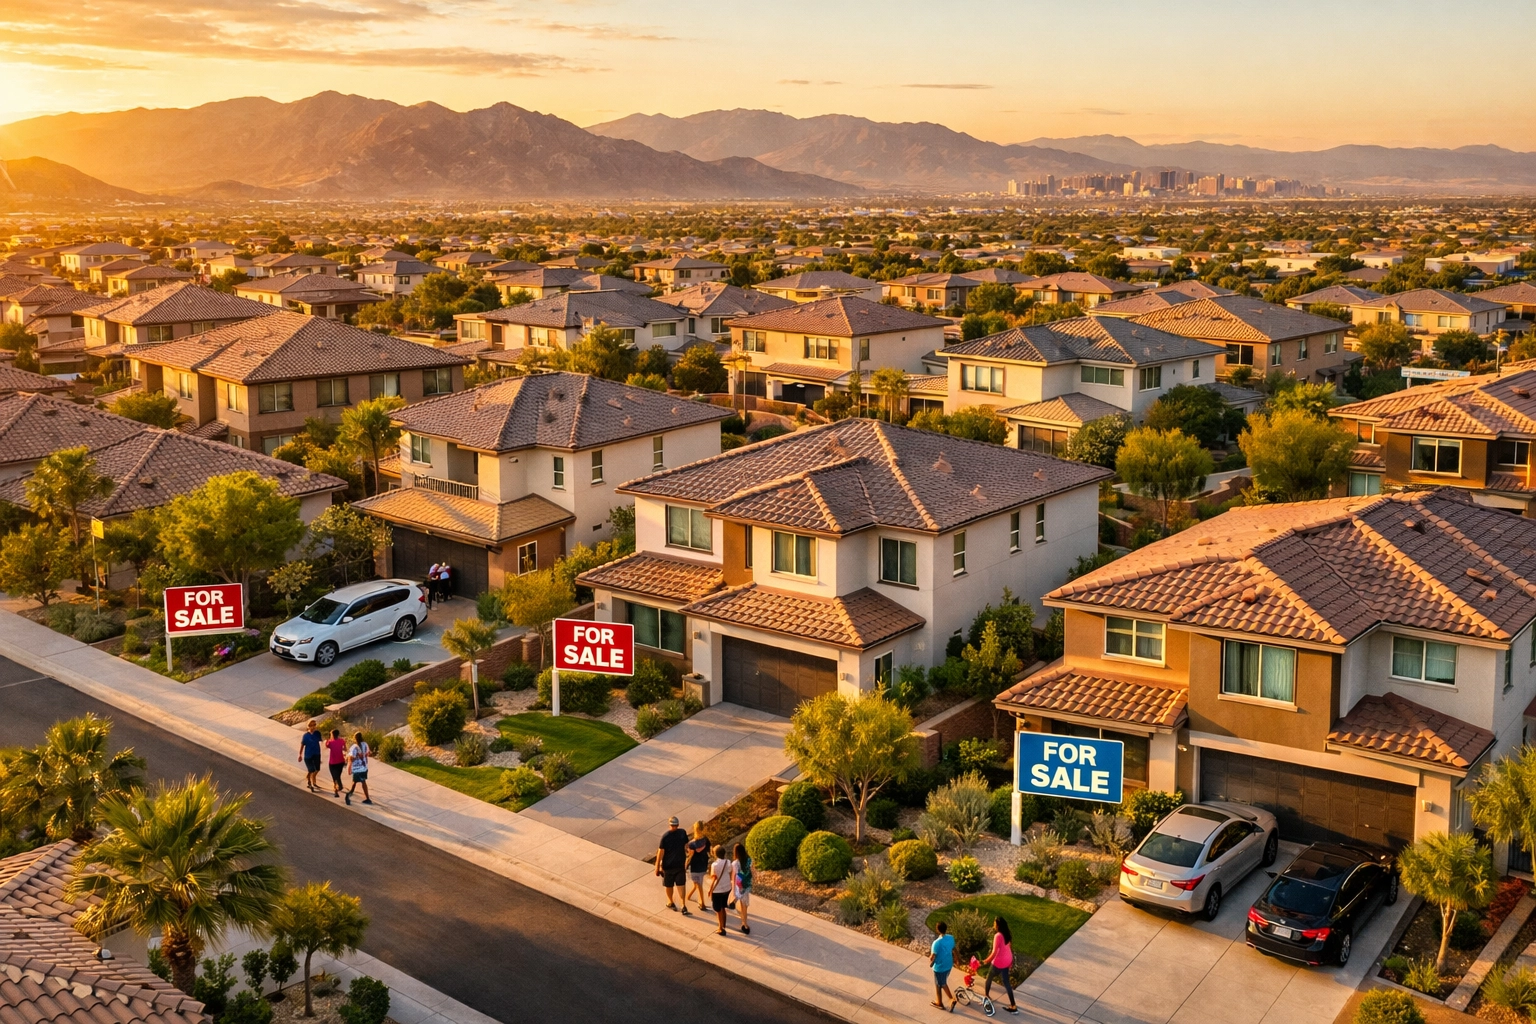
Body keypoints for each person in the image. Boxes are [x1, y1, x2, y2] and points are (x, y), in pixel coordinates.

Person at [654, 816, 691, 914]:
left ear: (669, 825)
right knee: (681, 885)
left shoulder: (665, 836)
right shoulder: (682, 833)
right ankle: (683, 905)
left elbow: (660, 853)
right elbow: (687, 847)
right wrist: (688, 858)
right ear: (678, 825)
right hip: (680, 864)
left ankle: (670, 902)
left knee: (669, 885)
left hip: (668, 866)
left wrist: (657, 867)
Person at [981, 917, 1018, 1014]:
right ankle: (1013, 1006)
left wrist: (986, 961)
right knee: (1007, 983)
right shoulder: (1007, 934)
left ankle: (987, 996)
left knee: (989, 978)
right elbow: (1009, 947)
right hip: (1007, 960)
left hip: (999, 962)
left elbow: (994, 953)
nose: (993, 924)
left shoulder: (998, 936)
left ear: (998, 925)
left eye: (994, 923)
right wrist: (1011, 962)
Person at [685, 821, 711, 913]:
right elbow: (709, 850)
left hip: (695, 866)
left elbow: (690, 856)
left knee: (698, 884)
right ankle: (689, 896)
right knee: (698, 883)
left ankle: (702, 903)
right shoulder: (706, 840)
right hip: (703, 864)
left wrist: (686, 865)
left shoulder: (691, 844)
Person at [930, 920, 955, 1011]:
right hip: (949, 964)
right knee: (942, 982)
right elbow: (954, 949)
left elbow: (933, 956)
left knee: (939, 984)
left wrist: (931, 958)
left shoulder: (936, 943)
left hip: (939, 967)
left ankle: (941, 1002)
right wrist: (957, 959)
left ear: (937, 930)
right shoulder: (951, 938)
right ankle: (948, 1000)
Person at [709, 844, 734, 936]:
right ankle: (724, 925)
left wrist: (710, 890)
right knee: (723, 907)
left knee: (718, 909)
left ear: (715, 854)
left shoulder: (714, 865)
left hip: (717, 890)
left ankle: (720, 928)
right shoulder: (728, 862)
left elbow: (713, 877)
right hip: (727, 888)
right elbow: (730, 871)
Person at [344, 731, 371, 805]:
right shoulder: (365, 744)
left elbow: (351, 758)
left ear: (354, 738)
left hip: (356, 768)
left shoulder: (354, 747)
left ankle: (348, 795)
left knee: (354, 783)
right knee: (363, 782)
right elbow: (369, 753)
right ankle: (367, 798)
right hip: (364, 767)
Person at [731, 841, 753, 935]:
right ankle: (745, 924)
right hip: (747, 884)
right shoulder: (749, 860)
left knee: (742, 904)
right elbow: (753, 871)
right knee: (745, 905)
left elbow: (734, 876)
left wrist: (733, 888)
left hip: (739, 885)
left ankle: (744, 923)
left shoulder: (735, 863)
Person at [298, 720, 323, 792]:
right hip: (308, 755)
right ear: (308, 726)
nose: (313, 727)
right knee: (311, 769)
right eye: (311, 725)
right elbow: (302, 745)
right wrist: (300, 754)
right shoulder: (305, 736)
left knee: (317, 769)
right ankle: (309, 782)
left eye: (314, 725)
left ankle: (313, 780)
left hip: (317, 753)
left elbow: (321, 742)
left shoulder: (317, 733)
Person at [324, 728, 347, 798]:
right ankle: (339, 786)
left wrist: (328, 740)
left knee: (334, 776)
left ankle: (336, 789)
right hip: (341, 761)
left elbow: (326, 745)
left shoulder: (330, 742)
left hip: (333, 762)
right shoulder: (342, 741)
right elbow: (345, 749)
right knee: (338, 775)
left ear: (332, 735)